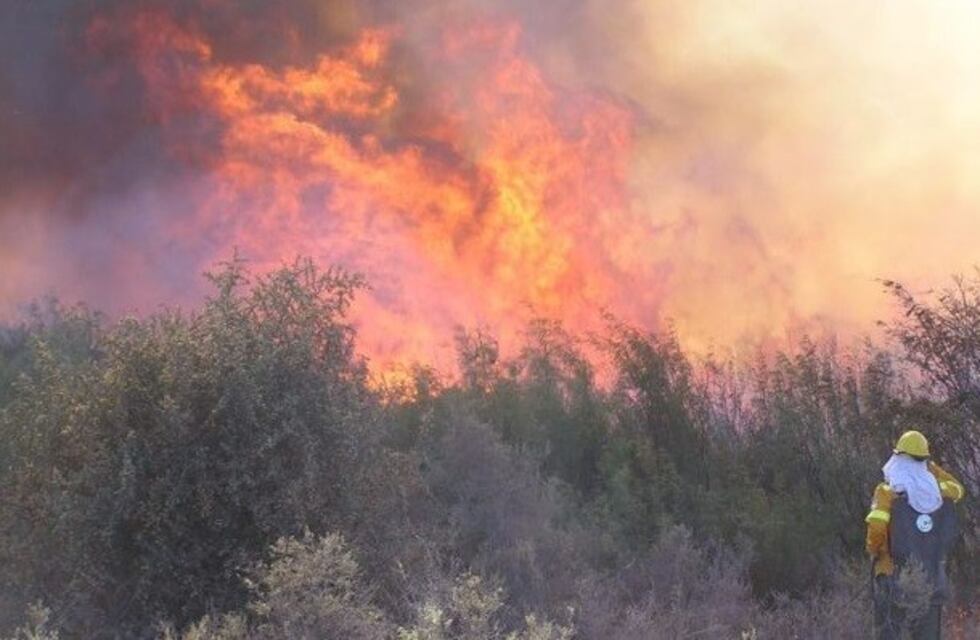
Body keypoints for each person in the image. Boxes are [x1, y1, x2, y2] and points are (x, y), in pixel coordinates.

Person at [866, 430, 965, 640]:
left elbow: (876, 530)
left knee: (889, 632)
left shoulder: (886, 492)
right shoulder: (938, 494)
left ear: (898, 457)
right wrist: (931, 469)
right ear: (925, 461)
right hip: (930, 579)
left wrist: (874, 550)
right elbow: (958, 489)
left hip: (892, 576)